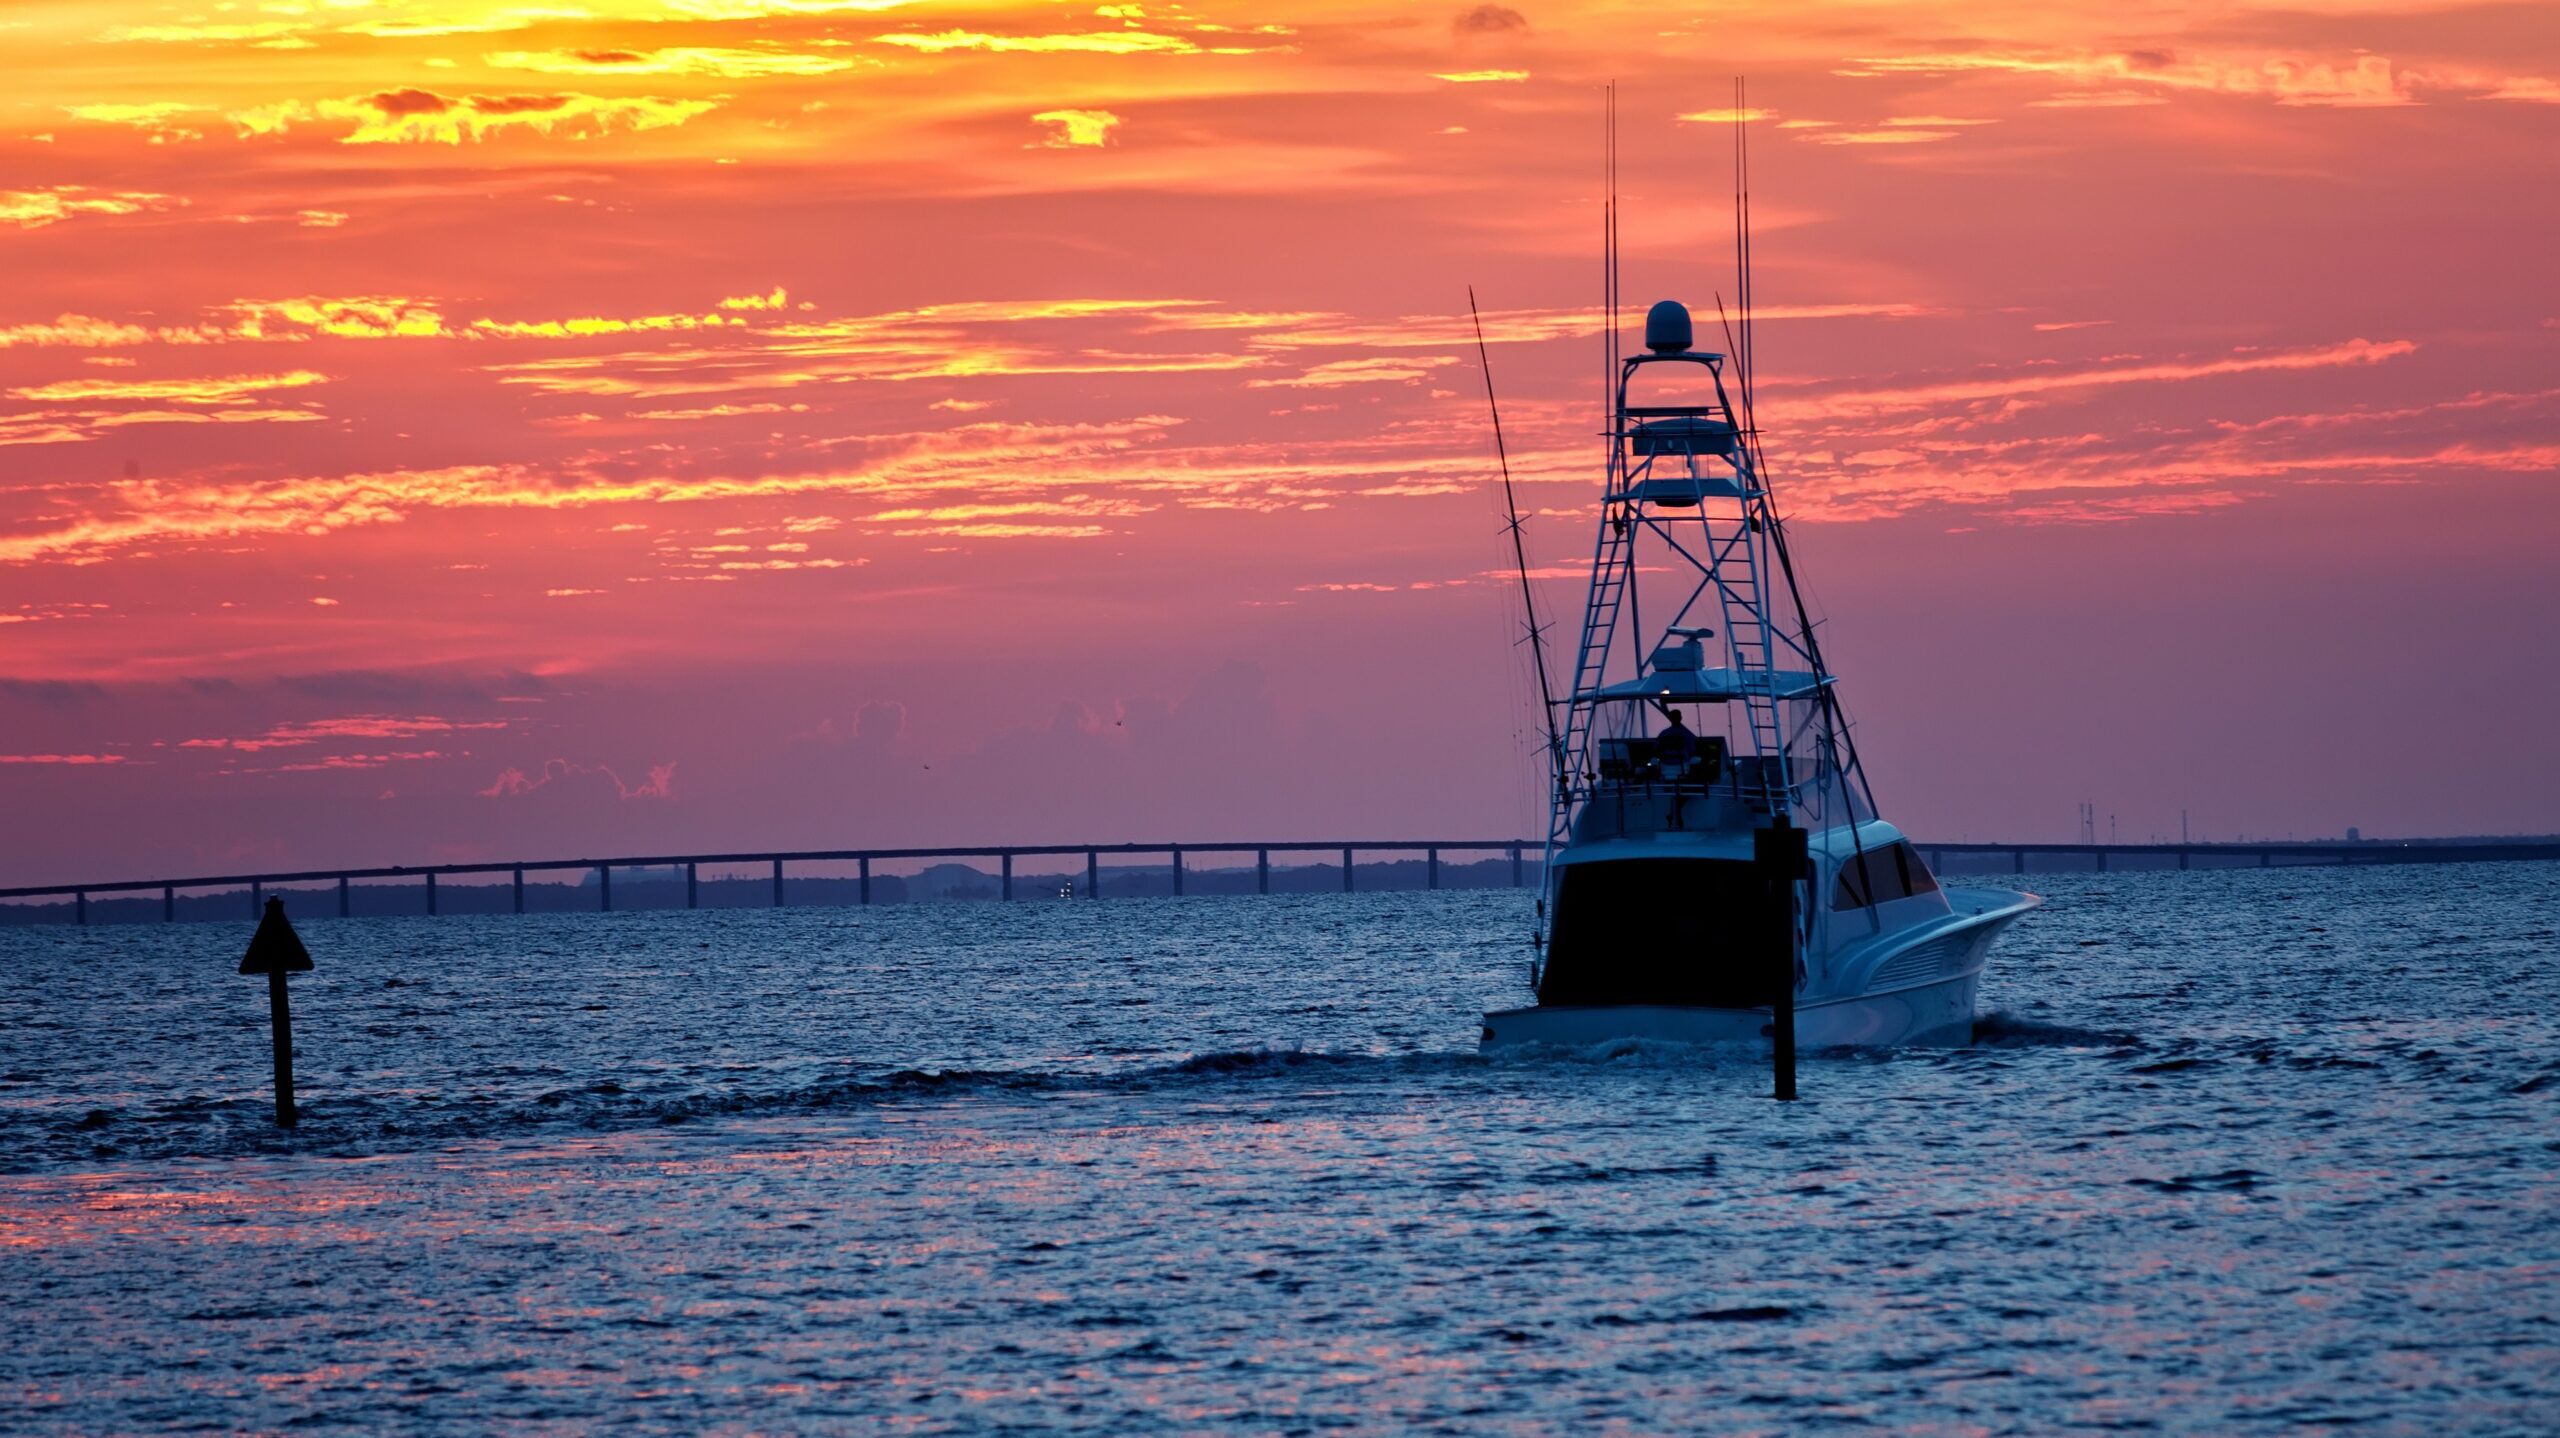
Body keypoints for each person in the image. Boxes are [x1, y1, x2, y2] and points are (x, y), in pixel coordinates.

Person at [1654, 706, 1697, 778]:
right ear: (1681, 718)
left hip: (1665, 766)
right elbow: (1692, 750)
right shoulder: (1687, 734)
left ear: (1670, 719)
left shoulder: (1663, 733)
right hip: (1683, 766)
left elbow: (1656, 748)